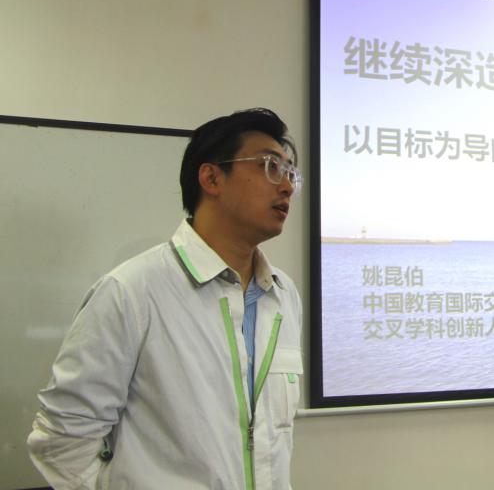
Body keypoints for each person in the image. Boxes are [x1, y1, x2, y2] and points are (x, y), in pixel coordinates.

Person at [27, 108, 304, 489]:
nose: (286, 186)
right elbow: (62, 440)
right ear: (211, 178)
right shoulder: (132, 291)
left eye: (290, 173)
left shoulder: (283, 294)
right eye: (270, 166)